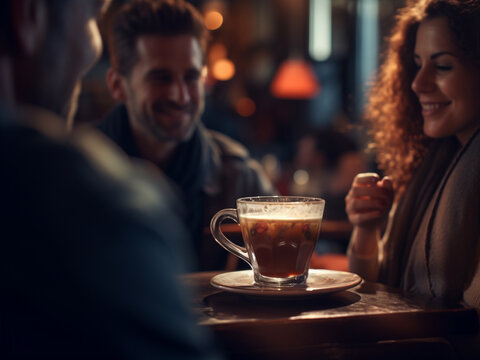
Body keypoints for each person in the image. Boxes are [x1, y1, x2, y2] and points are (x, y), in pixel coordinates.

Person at [0, 0, 221, 358]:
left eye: (191, 77)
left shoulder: (239, 174)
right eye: (90, 18)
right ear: (27, 15)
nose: (93, 50)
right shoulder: (98, 201)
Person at [345, 0, 480, 358]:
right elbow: (370, 290)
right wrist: (366, 230)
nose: (418, 83)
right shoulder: (433, 158)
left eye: (443, 66)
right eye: (416, 65)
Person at [98, 0, 275, 271]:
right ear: (118, 85)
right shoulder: (75, 173)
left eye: (191, 77)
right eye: (160, 78)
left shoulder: (239, 177)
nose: (180, 96)